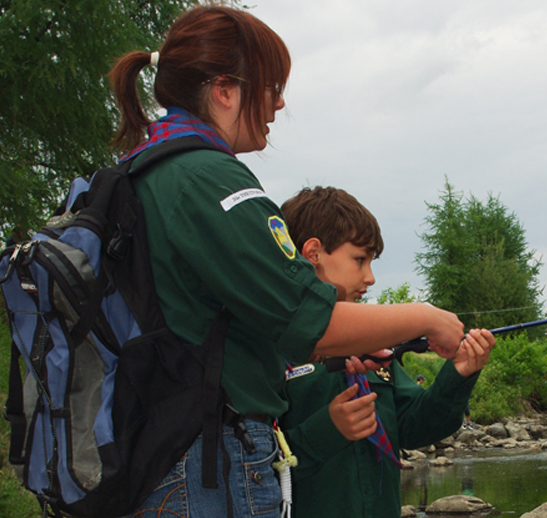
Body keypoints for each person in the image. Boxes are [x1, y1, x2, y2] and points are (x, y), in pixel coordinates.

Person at [109, 7, 465, 517]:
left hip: (162, 452)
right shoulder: (211, 179)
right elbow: (310, 322)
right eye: (272, 86)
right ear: (225, 90)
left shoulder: (147, 171)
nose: (279, 103)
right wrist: (428, 317)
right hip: (207, 463)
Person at [279, 186, 496, 518]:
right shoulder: (270, 347)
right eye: (360, 260)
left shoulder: (372, 352)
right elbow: (249, 469)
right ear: (313, 254)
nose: (370, 278)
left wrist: (459, 374)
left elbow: (416, 427)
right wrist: (327, 430)